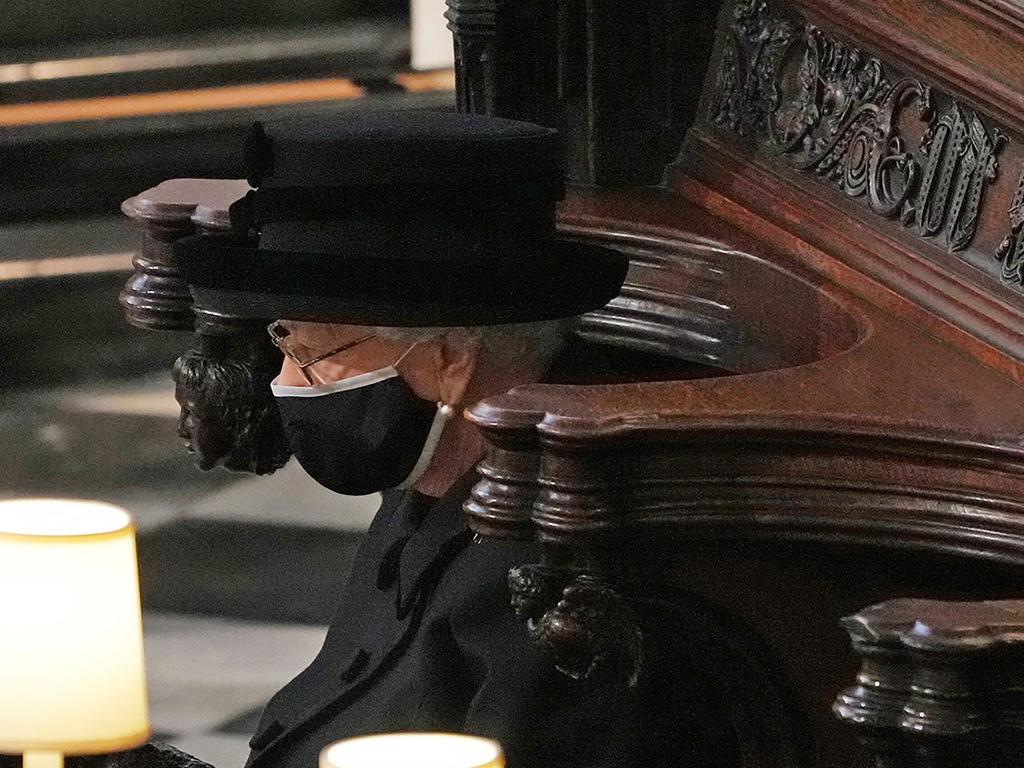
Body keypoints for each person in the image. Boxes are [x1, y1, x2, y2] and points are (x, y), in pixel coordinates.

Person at [174, 111, 724, 767]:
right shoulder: (438, 478)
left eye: (315, 351)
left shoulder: (556, 577)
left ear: (448, 360)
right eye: (283, 342)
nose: (288, 381)